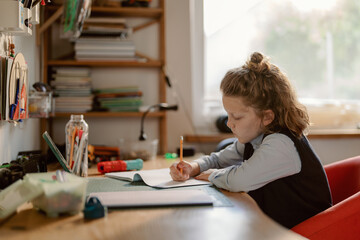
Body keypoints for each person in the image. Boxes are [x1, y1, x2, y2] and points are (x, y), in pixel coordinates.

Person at [169, 52, 332, 229]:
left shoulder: (282, 144)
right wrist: (193, 167)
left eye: (237, 117)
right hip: (274, 226)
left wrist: (210, 176)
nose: (229, 123)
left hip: (306, 231)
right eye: (227, 115)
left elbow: (239, 180)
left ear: (267, 116)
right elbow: (219, 159)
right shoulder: (256, 137)